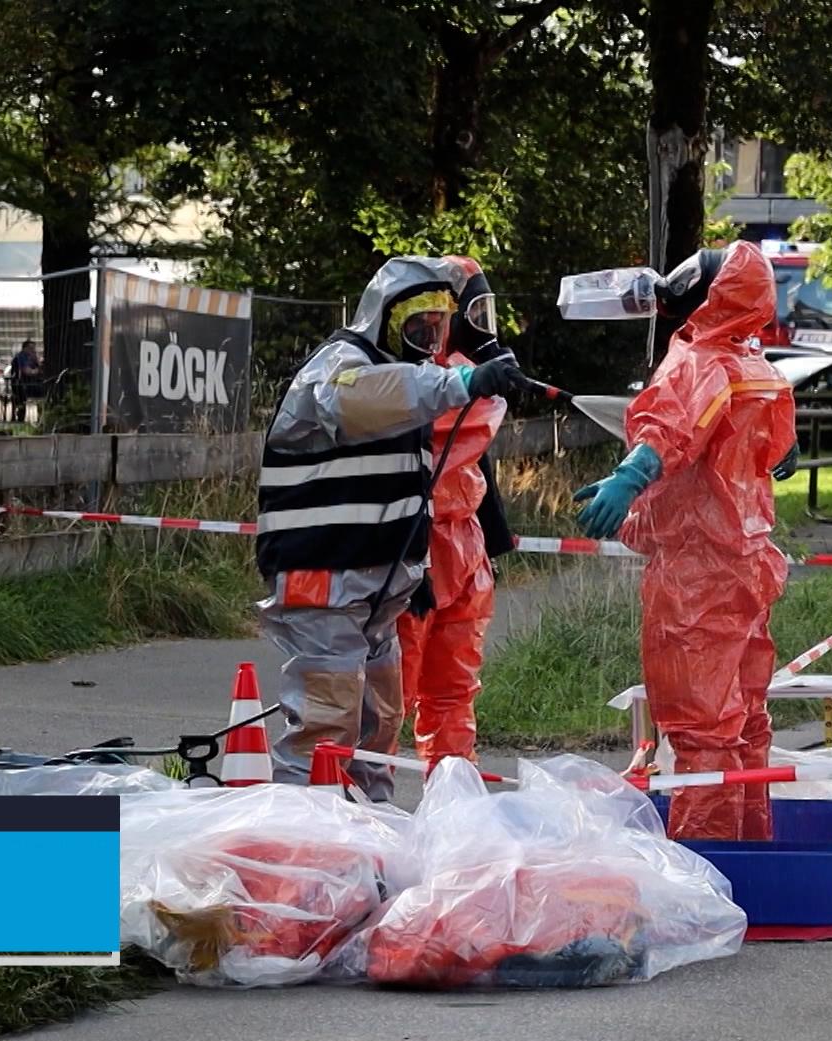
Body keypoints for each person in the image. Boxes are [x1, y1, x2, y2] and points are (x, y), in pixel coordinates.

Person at [257, 256, 528, 800]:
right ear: (383, 317)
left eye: (436, 327)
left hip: (376, 590)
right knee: (323, 730)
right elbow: (366, 398)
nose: (428, 339)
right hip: (324, 579)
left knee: (377, 728)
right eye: (416, 326)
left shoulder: (415, 388)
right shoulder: (340, 364)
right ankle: (303, 853)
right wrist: (462, 379)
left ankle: (371, 839)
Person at [572, 242, 796, 841]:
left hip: (697, 572)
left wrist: (628, 480)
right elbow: (778, 453)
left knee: (701, 731)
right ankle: (751, 853)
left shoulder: (699, 362)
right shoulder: (758, 366)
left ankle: (705, 869)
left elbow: (670, 429)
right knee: (745, 722)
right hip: (747, 562)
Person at [396, 256, 518, 772]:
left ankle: (453, 809)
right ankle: (353, 814)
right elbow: (460, 425)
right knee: (385, 699)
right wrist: (478, 381)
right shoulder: (403, 383)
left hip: (462, 545)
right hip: (408, 547)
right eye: (474, 313)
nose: (480, 327)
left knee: (453, 694)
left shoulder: (462, 380)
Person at [9, 339, 42, 423]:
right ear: (25, 348)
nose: (33, 350)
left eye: (34, 348)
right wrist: (37, 371)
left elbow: (39, 369)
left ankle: (41, 417)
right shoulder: (21, 357)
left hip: (32, 383)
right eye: (31, 348)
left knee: (44, 390)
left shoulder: (32, 357)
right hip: (22, 384)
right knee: (41, 390)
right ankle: (20, 416)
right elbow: (27, 371)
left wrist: (36, 360)